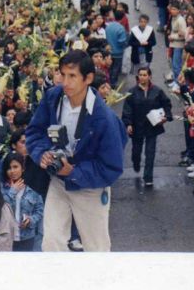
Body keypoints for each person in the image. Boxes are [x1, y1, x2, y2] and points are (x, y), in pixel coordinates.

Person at [26, 50, 126, 252]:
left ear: (88, 78)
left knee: (96, 248)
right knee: (51, 243)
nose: (65, 82)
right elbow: (34, 132)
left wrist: (74, 172)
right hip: (58, 182)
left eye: (72, 76)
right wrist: (42, 153)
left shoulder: (104, 118)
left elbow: (112, 167)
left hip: (91, 187)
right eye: (63, 75)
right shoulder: (53, 98)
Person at [121, 67, 172, 187]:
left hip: (152, 126)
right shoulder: (132, 92)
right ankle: (136, 162)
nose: (142, 77)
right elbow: (127, 110)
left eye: (145, 75)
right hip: (137, 125)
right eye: (140, 75)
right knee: (136, 151)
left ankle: (148, 177)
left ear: (149, 76)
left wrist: (166, 117)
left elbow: (166, 104)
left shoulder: (157, 91)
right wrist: (128, 124)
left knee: (150, 152)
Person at [1, 152, 45, 251]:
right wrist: (12, 192)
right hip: (6, 236)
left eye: (15, 167)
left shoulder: (32, 191)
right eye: (9, 168)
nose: (12, 171)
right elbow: (0, 208)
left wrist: (31, 219)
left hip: (27, 237)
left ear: (23, 169)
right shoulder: (1, 189)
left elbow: (39, 211)